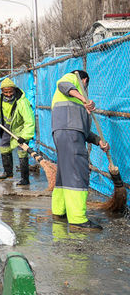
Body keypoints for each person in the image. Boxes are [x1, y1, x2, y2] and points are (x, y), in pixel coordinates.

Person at [50, 70, 110, 231]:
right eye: (86, 85)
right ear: (84, 80)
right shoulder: (73, 78)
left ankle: (59, 211)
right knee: (78, 172)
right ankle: (78, 219)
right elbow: (64, 85)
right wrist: (84, 99)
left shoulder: (76, 106)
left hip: (65, 133)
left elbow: (84, 132)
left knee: (65, 173)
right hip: (69, 133)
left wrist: (99, 141)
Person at [0, 78, 34, 185]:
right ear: (2, 92)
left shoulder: (22, 102)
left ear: (14, 90)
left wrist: (25, 136)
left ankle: (25, 179)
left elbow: (30, 121)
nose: (8, 94)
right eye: (6, 92)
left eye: (10, 92)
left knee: (22, 152)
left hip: (20, 131)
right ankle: (8, 172)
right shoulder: (2, 99)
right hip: (7, 129)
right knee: (4, 148)